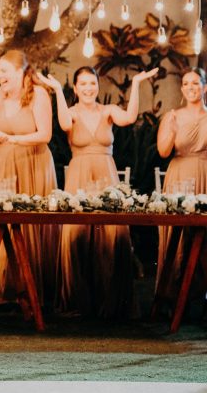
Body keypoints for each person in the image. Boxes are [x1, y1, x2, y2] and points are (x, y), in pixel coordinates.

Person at [39, 65, 157, 318]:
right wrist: (58, 90)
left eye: (92, 83)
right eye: (83, 84)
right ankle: (77, 300)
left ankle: (113, 300)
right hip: (79, 175)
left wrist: (136, 84)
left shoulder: (108, 111)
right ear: (75, 88)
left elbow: (129, 118)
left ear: (97, 85)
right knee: (76, 233)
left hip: (106, 174)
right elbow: (63, 124)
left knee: (112, 233)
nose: (88, 88)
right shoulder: (71, 112)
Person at [155, 67, 207, 318]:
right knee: (179, 238)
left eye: (195, 83)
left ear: (204, 87)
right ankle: (173, 297)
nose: (190, 88)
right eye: (186, 84)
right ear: (182, 89)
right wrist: (171, 130)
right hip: (180, 177)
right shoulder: (172, 116)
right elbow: (163, 151)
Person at [0, 49, 57, 307]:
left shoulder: (38, 94)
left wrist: (14, 139)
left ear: (20, 71)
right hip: (5, 162)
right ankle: (3, 290)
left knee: (31, 224)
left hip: (34, 161)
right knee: (3, 222)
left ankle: (34, 293)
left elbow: (45, 134)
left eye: (4, 70)